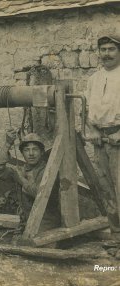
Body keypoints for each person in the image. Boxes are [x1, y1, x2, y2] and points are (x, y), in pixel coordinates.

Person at [0, 129, 60, 234]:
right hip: (26, 222)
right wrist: (8, 144)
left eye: (35, 149)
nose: (31, 154)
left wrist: (21, 178)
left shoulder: (48, 171)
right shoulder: (22, 170)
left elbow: (39, 195)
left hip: (46, 223)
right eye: (26, 150)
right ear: (22, 153)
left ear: (41, 152)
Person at [85, 34, 120, 242]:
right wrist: (94, 132)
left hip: (119, 140)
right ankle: (117, 237)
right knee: (107, 191)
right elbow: (86, 111)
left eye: (111, 49)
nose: (106, 54)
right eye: (103, 50)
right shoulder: (94, 80)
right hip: (100, 142)